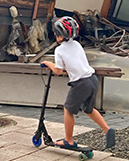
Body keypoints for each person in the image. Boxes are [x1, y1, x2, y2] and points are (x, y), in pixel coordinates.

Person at [42, 16, 115, 149]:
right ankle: (107, 129)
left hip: (81, 83)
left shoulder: (59, 50)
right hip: (92, 79)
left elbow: (58, 71)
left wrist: (48, 63)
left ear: (59, 36)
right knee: (88, 109)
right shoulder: (77, 44)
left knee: (68, 109)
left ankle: (68, 140)